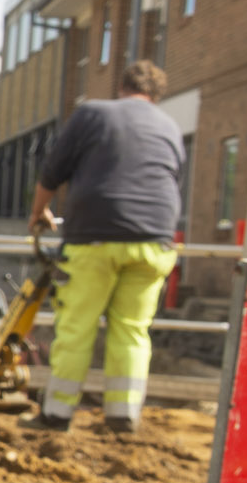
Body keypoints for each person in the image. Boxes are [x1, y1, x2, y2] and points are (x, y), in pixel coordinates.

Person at [27, 59, 185, 435]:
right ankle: (122, 416)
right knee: (132, 330)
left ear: (122, 87)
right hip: (154, 241)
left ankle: (56, 414)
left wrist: (39, 212)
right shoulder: (170, 126)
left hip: (95, 237)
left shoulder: (93, 114)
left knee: (77, 327)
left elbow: (53, 170)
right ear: (156, 95)